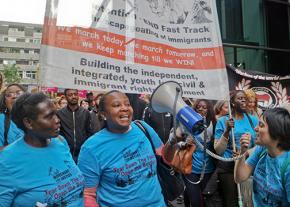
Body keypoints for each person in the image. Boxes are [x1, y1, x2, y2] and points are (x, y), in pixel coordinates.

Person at [78, 90, 177, 207]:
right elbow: (88, 194)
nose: (125, 108)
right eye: (116, 105)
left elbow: (166, 159)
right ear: (103, 115)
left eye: (127, 104)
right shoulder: (91, 148)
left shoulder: (143, 127)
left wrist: (172, 141)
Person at [0, 93, 84, 206]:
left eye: (56, 114)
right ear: (29, 123)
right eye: (49, 116)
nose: (57, 120)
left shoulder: (60, 141)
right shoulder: (6, 161)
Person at [234, 107, 290, 206]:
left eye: (261, 125)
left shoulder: (287, 167)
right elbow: (240, 178)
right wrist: (242, 152)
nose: (255, 129)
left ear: (276, 133)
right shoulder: (262, 149)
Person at [214, 90, 259, 207]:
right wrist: (227, 131)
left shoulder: (253, 120)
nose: (244, 100)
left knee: (249, 201)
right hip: (228, 168)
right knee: (232, 202)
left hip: (248, 166)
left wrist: (246, 153)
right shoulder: (223, 121)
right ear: (232, 103)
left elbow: (260, 144)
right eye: (240, 98)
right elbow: (218, 150)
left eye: (245, 98)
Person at [183, 99, 217, 207]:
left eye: (204, 107)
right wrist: (186, 142)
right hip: (191, 169)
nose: (201, 109)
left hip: (208, 169)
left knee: (204, 198)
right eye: (198, 107)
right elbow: (178, 140)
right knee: (196, 201)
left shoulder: (214, 123)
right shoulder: (188, 123)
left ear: (209, 110)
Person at [57, 88, 94, 162]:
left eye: (75, 94)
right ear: (66, 97)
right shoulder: (59, 113)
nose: (73, 96)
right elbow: (58, 132)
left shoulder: (85, 113)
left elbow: (89, 131)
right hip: (65, 152)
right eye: (70, 95)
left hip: (82, 153)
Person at [0, 84, 25, 149]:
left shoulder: (37, 118)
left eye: (19, 93)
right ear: (5, 102)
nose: (14, 96)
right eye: (9, 95)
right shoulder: (1, 120)